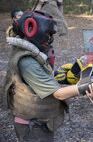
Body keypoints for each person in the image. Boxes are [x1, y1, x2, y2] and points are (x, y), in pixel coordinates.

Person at [2, 10, 88, 141]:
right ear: (32, 30)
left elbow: (39, 76)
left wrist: (62, 75)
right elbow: (58, 93)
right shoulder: (27, 62)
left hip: (36, 123)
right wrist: (89, 85)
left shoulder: (27, 51)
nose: (50, 39)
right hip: (33, 127)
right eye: (47, 34)